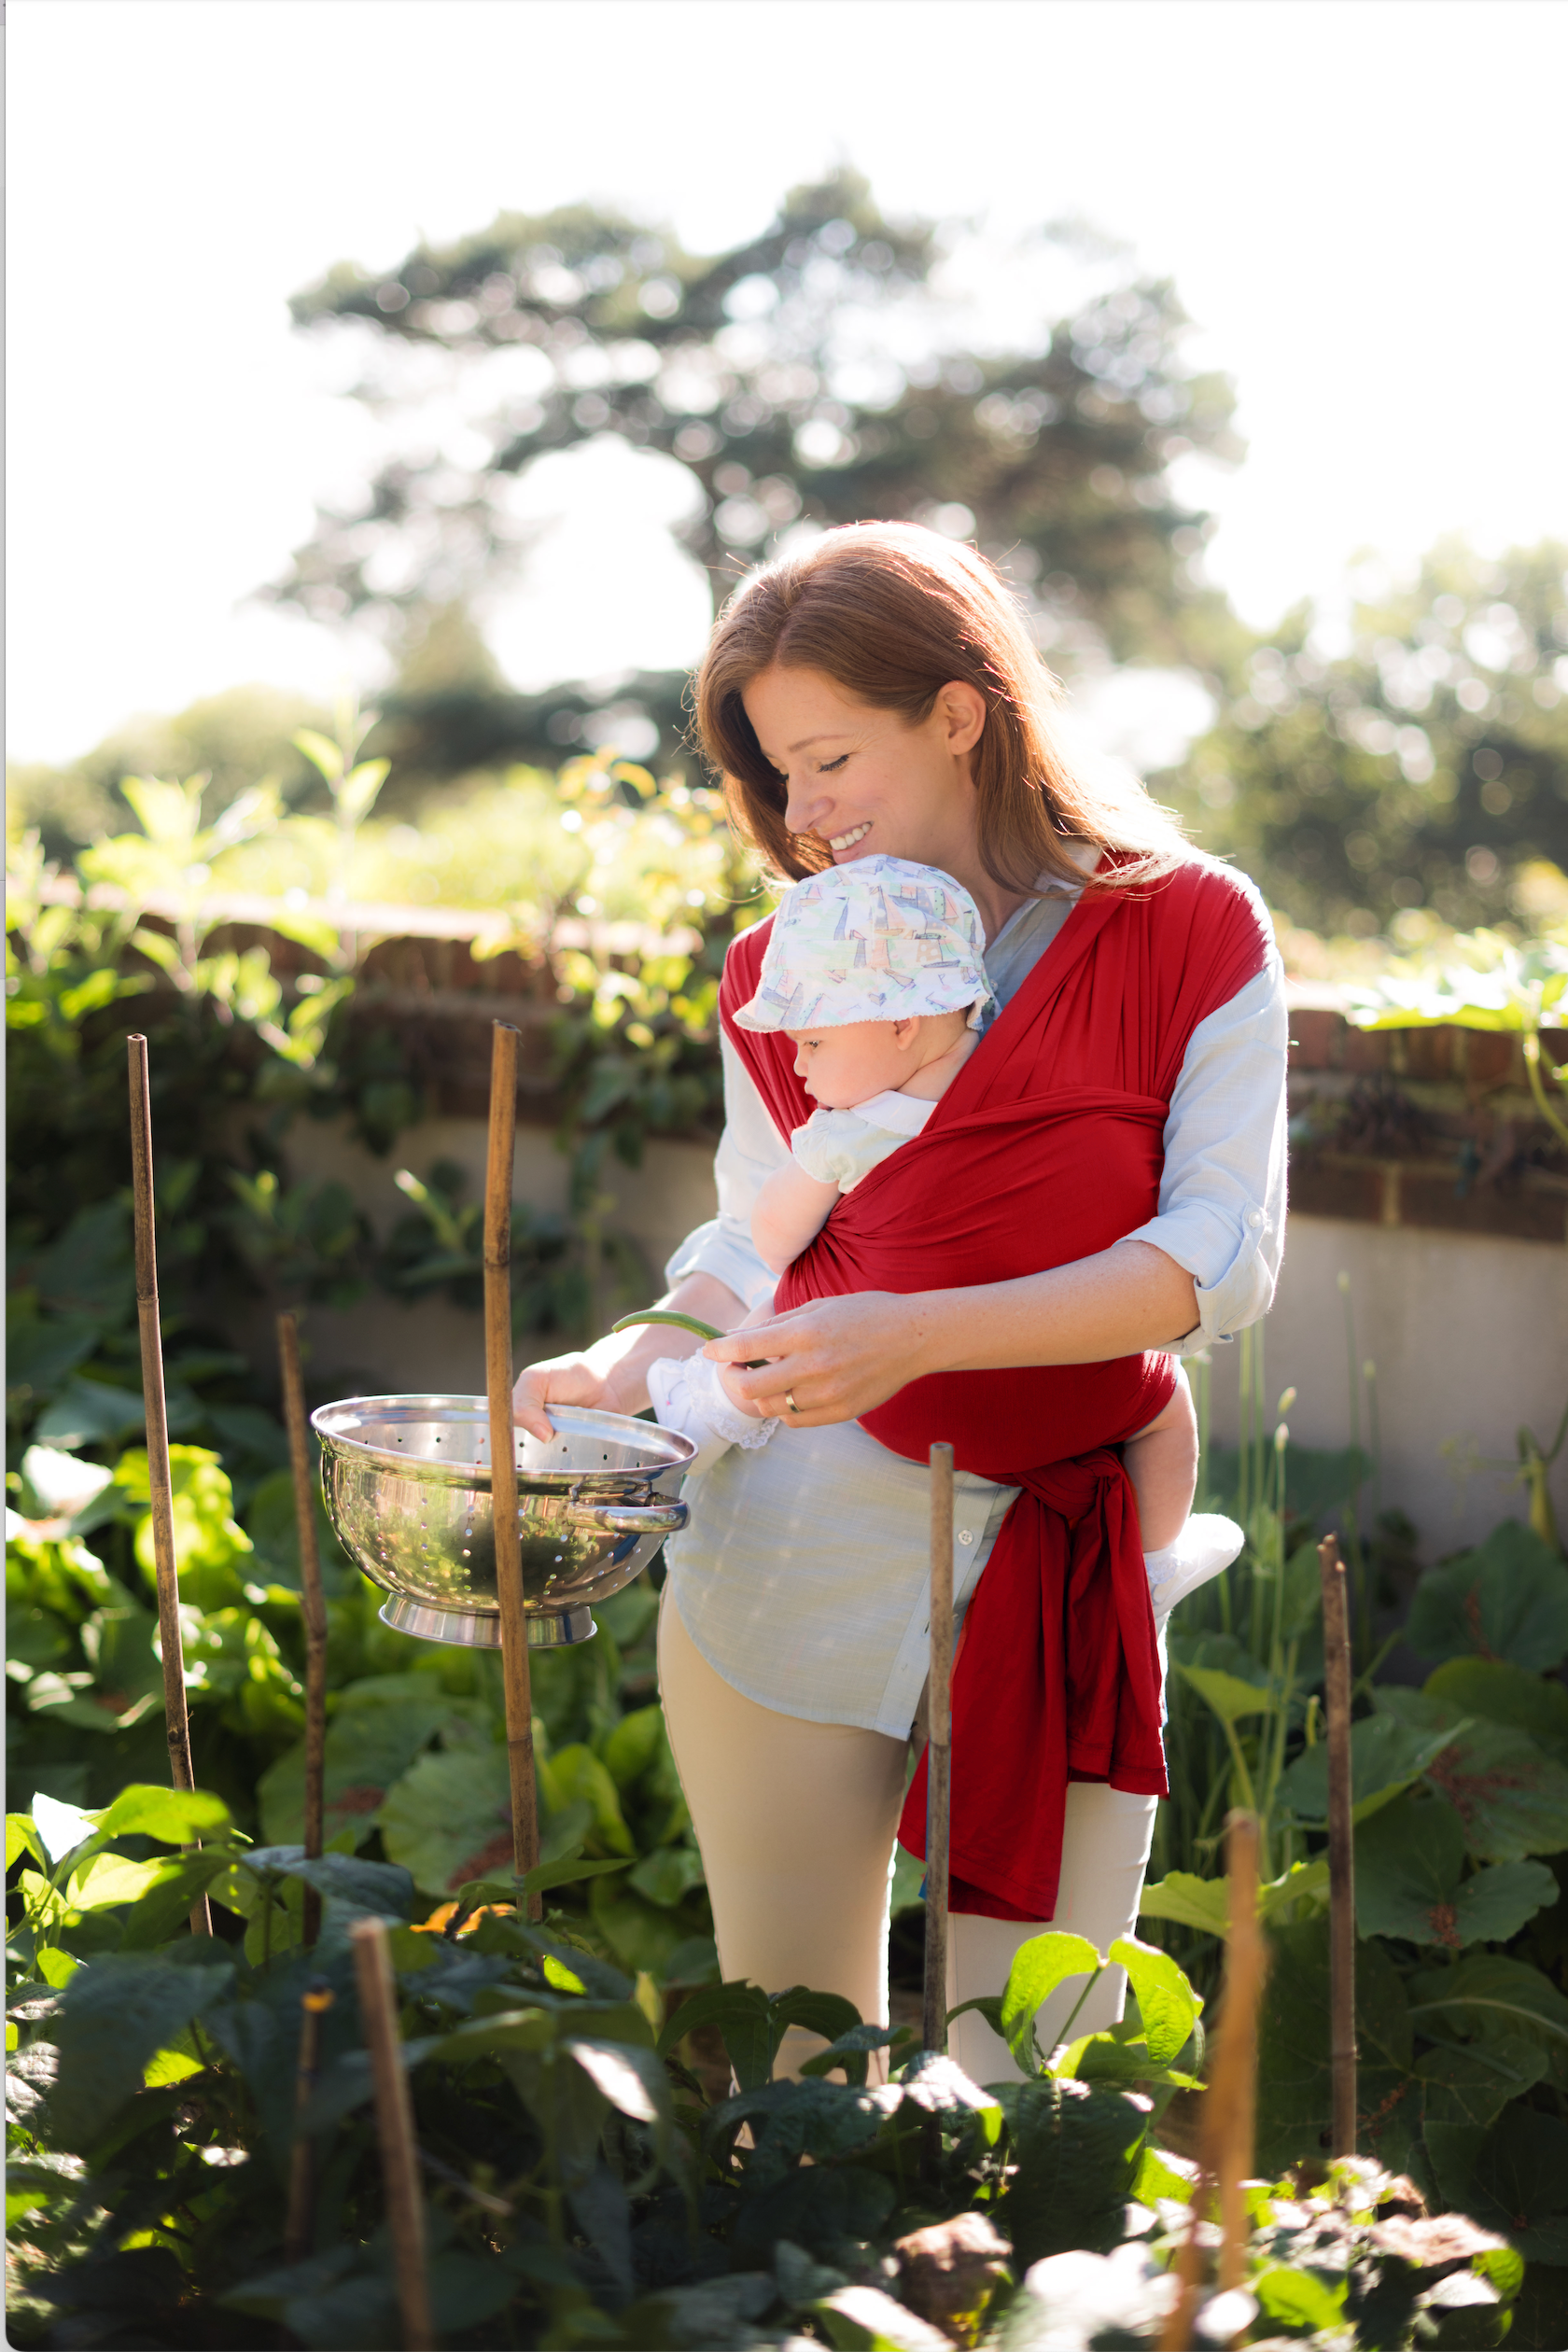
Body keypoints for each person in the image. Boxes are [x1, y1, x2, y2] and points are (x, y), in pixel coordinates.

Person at [513, 522, 1287, 2083]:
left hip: (1065, 1548)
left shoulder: (1191, 928)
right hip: (795, 1536)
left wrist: (918, 1336)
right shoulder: (776, 967)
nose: (802, 817)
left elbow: (1222, 1260)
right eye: (775, 777)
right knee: (793, 2070)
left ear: (960, 709)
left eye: (827, 757)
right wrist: (631, 1358)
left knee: (1039, 2070)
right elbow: (757, 1235)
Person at [645, 850, 1230, 1595]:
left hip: (900, 1389)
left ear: (901, 1025)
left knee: (784, 1311)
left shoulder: (845, 1132)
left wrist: (810, 1172)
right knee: (1166, 1406)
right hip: (1069, 1387)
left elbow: (771, 1241)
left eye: (813, 1039)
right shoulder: (1026, 1077)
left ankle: (699, 1419)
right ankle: (1150, 1578)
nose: (795, 1066)